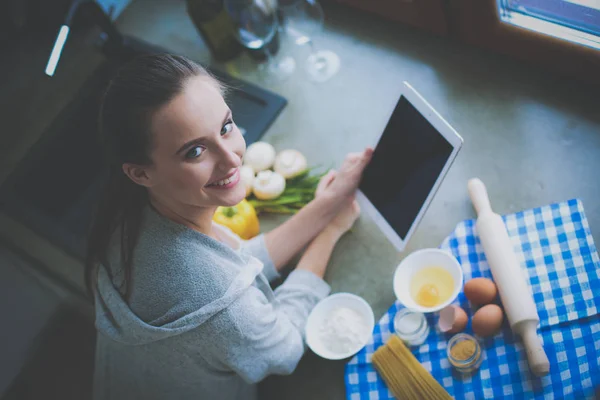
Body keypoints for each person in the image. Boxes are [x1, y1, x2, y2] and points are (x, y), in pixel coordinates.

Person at [87, 53, 372, 400]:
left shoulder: (132, 214)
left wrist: (327, 205)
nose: (232, 158)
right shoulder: (218, 301)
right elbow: (285, 349)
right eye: (194, 152)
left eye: (225, 127)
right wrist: (328, 234)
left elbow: (239, 266)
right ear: (141, 172)